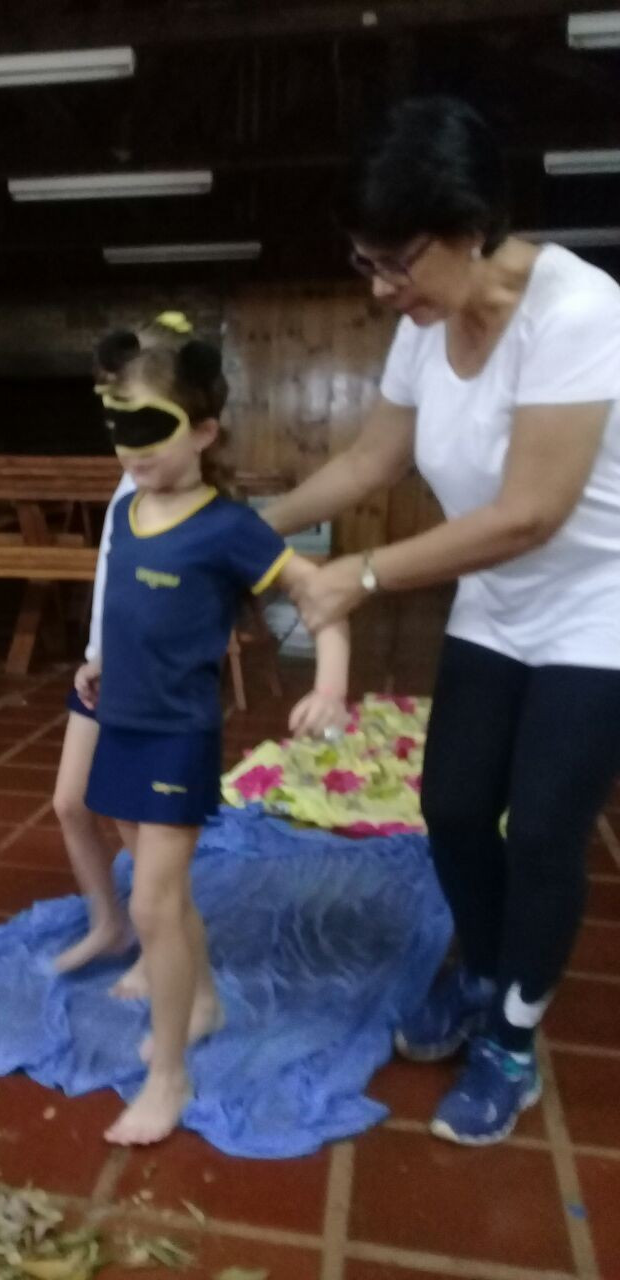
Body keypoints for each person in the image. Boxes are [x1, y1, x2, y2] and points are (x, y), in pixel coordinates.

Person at [264, 95, 620, 1145]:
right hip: (496, 603)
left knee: (545, 828)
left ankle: (511, 1034)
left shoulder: (577, 311)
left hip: (598, 611)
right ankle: (483, 968)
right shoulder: (423, 329)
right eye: (365, 263)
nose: (381, 289)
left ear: (468, 229)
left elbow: (530, 513)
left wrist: (362, 575)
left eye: (396, 263)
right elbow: (369, 462)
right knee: (456, 807)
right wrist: (236, 529)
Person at [83, 333, 350, 1146]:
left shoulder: (229, 528)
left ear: (203, 431)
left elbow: (320, 597)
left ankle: (168, 1077)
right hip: (121, 722)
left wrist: (329, 685)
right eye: (120, 429)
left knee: (151, 903)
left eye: (150, 431)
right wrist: (101, 662)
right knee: (159, 894)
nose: (132, 451)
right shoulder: (126, 510)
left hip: (177, 736)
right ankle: (201, 1001)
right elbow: (128, 608)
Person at [51, 329, 140, 975]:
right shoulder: (132, 476)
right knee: (70, 803)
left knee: (136, 822)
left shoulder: (165, 486)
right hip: (101, 666)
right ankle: (111, 923)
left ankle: (165, 952)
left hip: (137, 677)